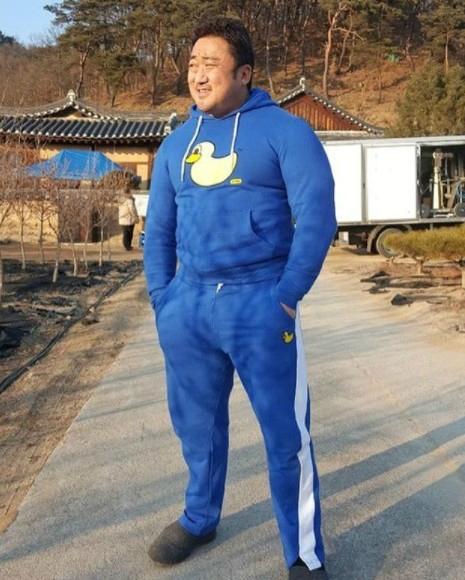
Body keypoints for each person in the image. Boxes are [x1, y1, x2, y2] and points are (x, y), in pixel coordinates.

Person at [143, 16, 336, 580]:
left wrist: (287, 294)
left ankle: (303, 553)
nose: (198, 75)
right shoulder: (176, 145)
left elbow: (317, 217)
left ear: (244, 72)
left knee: (285, 436)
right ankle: (199, 517)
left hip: (259, 302)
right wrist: (162, 299)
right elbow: (158, 231)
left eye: (211, 63)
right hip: (189, 304)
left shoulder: (286, 132)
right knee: (196, 426)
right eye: (192, 64)